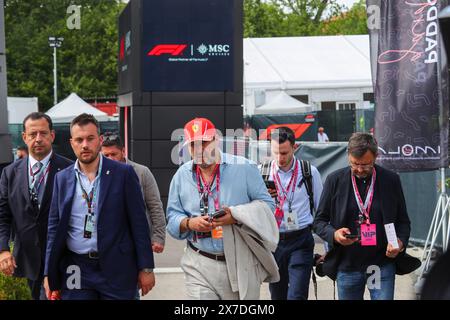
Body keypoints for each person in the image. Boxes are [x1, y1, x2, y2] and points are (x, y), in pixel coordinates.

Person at [43, 113, 155, 300]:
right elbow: (53, 228)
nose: (85, 145)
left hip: (117, 267)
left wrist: (146, 267)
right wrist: (49, 273)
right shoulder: (62, 179)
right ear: (72, 143)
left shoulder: (123, 174)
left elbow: (139, 223)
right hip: (76, 268)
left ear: (100, 141)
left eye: (90, 138)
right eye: (79, 140)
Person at [166, 118, 278, 300]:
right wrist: (188, 223)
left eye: (204, 142)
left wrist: (236, 216)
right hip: (198, 262)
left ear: (216, 140)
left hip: (240, 262)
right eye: (193, 145)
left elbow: (268, 206)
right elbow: (172, 218)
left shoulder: (245, 168)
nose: (200, 150)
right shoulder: (181, 175)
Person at [313, 132, 411, 300]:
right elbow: (319, 222)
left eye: (366, 165)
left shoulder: (390, 180)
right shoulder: (334, 180)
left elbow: (403, 221)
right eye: (354, 164)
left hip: (381, 263)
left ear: (376, 157)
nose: (359, 169)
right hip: (347, 265)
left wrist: (400, 243)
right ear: (348, 156)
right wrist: (334, 235)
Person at [0, 112, 72, 300]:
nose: (38, 139)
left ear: (52, 136)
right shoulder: (10, 173)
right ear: (24, 137)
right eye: (32, 134)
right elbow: (3, 214)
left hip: (64, 258)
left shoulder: (70, 170)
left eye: (43, 133)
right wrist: (3, 249)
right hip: (28, 260)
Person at [264, 127, 323, 300]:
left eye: (284, 153)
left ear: (294, 147)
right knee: (277, 295)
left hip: (300, 240)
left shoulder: (309, 172)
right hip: (273, 241)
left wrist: (329, 250)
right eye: (276, 153)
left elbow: (321, 211)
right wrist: (263, 199)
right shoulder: (262, 172)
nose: (280, 158)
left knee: (297, 295)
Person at [101, 133, 166, 253]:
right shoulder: (98, 175)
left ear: (123, 151)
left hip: (138, 241)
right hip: (109, 242)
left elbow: (155, 206)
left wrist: (158, 237)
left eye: (114, 154)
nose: (110, 158)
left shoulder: (142, 172)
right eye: (106, 155)